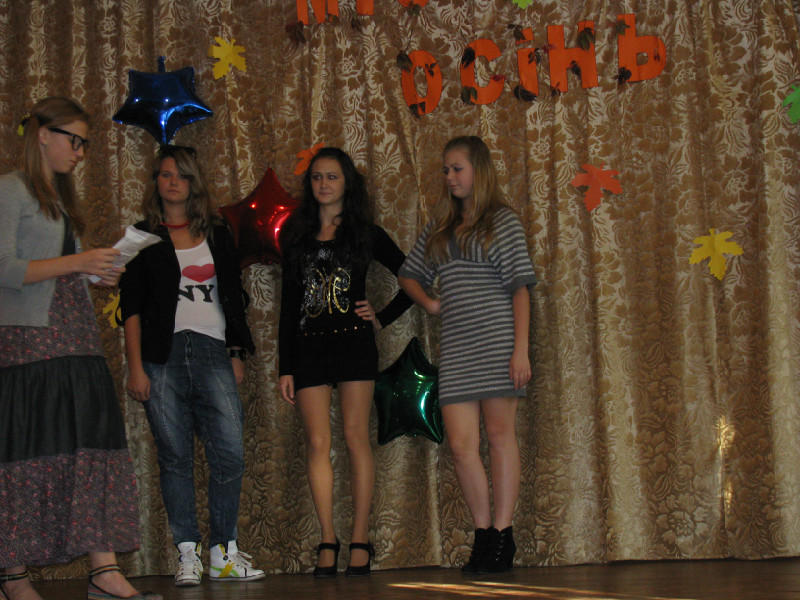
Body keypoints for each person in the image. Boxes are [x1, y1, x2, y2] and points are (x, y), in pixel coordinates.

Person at [0, 97, 160, 600]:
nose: (80, 152)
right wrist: (76, 263)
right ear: (42, 134)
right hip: (30, 341)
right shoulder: (10, 189)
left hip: (76, 335)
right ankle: (12, 576)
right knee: (30, 450)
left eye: (84, 144)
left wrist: (95, 271)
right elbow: (4, 269)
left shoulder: (58, 197)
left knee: (90, 444)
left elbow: (56, 267)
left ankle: (103, 570)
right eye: (74, 140)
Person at [119, 145, 264, 587]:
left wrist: (236, 352)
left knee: (230, 451)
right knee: (175, 456)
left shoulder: (217, 232)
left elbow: (234, 294)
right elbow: (130, 307)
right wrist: (134, 367)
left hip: (212, 349)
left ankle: (223, 552)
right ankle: (188, 553)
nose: (173, 182)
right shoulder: (141, 237)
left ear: (193, 182)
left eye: (181, 175)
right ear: (155, 182)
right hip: (160, 356)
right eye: (165, 174)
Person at [398, 136, 536, 574]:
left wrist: (520, 350)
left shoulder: (502, 222)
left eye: (457, 168)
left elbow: (520, 289)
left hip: (498, 345)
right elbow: (409, 274)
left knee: (499, 437)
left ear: (479, 169)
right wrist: (431, 303)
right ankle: (483, 533)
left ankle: (503, 534)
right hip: (458, 349)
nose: (449, 176)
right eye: (446, 169)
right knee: (460, 445)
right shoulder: (440, 227)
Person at [278, 147, 412, 578]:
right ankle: (326, 538)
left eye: (332, 176)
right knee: (318, 443)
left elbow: (412, 277)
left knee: (356, 438)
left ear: (347, 182)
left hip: (354, 344)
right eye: (317, 177)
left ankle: (359, 538)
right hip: (308, 347)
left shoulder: (365, 232)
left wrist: (382, 317)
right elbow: (288, 305)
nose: (323, 184)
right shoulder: (295, 233)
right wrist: (285, 367)